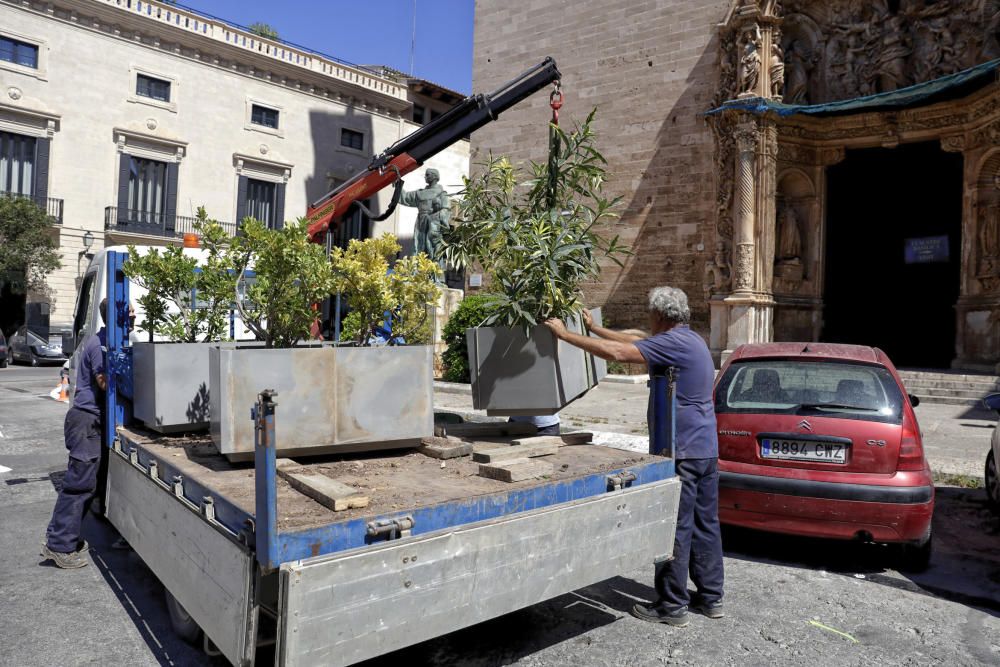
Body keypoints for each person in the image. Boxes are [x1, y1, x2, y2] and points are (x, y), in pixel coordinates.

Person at [543, 287, 724, 627]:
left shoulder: (671, 342)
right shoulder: (691, 340)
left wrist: (564, 335)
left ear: (661, 316)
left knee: (675, 527)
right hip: (705, 449)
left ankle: (671, 606)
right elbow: (637, 339)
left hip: (681, 450)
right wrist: (594, 329)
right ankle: (711, 597)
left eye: (650, 314)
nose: (648, 321)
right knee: (705, 525)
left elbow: (620, 352)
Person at [41, 299, 108, 569]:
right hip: (85, 421)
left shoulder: (103, 341)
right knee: (79, 484)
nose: (134, 317)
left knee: (88, 484)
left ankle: (65, 540)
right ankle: (58, 546)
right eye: (130, 313)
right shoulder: (99, 345)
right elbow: (104, 383)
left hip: (89, 421)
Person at [399, 168, 451, 278]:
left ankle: (436, 277)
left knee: (434, 250)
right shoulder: (420, 193)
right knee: (418, 247)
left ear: (435, 177)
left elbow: (446, 210)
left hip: (434, 225)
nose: (425, 177)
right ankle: (417, 275)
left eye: (428, 175)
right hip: (420, 225)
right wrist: (398, 185)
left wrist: (435, 218)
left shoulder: (442, 194)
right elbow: (406, 197)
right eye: (425, 175)